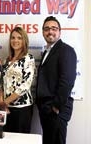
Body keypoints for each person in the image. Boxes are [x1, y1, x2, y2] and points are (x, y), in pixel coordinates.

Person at [36, 16, 77, 144]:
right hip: (46, 109)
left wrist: (55, 106)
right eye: (47, 29)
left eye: (54, 28)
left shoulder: (66, 50)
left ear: (60, 31)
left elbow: (67, 81)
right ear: (43, 32)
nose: (50, 32)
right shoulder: (47, 52)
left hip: (56, 110)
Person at [1, 27, 35, 133]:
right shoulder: (6, 60)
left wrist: (5, 102)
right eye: (13, 37)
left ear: (24, 40)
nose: (15, 40)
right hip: (6, 109)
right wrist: (2, 103)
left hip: (22, 108)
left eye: (19, 38)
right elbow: (1, 84)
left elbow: (25, 85)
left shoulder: (28, 58)